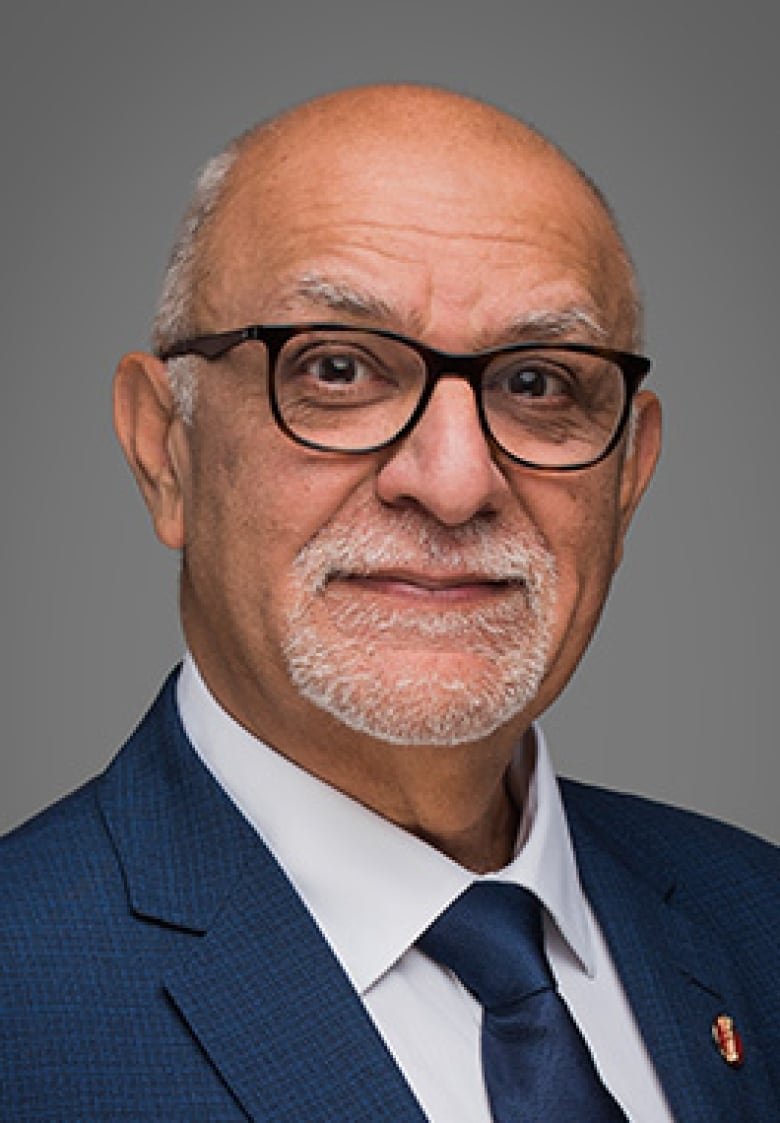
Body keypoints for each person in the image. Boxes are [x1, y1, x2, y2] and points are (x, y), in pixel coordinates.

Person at [1, 83, 777, 1122]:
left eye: (540, 383)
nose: (454, 482)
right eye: (337, 367)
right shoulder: (24, 992)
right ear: (164, 453)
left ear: (628, 480)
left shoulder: (755, 920)